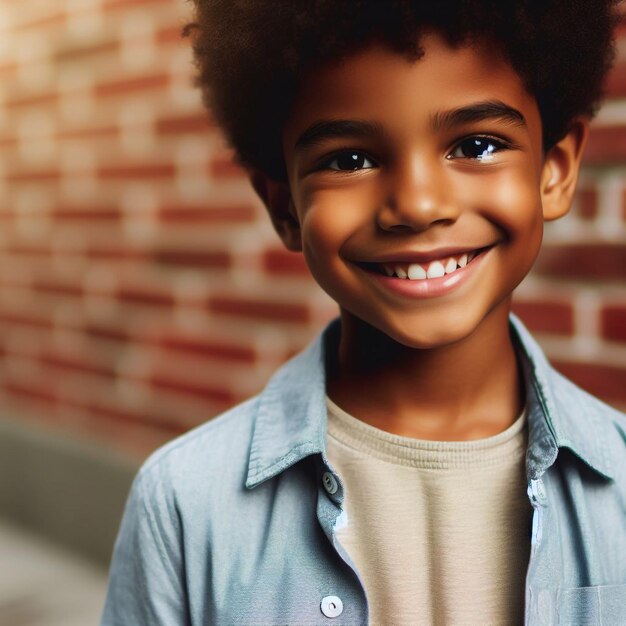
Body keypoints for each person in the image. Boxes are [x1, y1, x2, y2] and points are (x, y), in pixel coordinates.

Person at [101, 2, 625, 624]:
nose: (417, 205)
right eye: (349, 160)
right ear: (285, 208)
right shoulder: (183, 503)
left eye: (476, 145)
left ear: (554, 171)